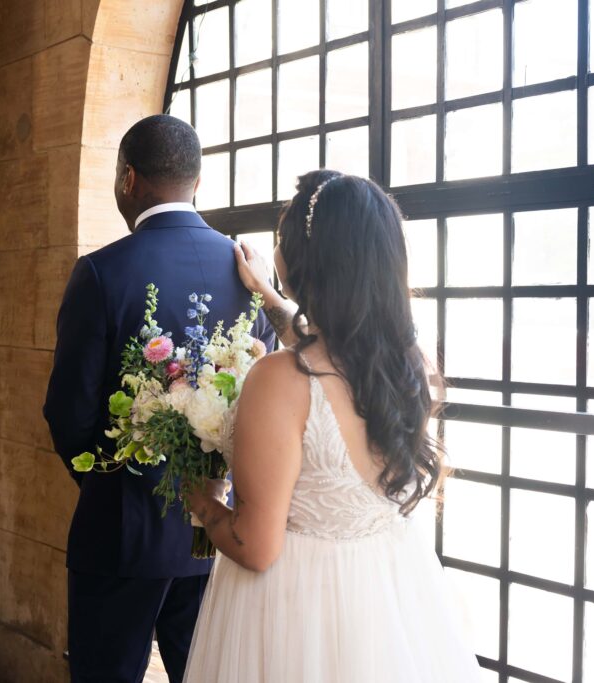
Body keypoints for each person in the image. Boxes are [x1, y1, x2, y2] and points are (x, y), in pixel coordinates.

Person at [182, 170, 485, 681]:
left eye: (281, 237)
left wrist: (201, 501)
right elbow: (335, 353)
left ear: (303, 260)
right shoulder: (411, 364)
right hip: (390, 605)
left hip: (292, 611)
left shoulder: (279, 380)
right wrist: (271, 300)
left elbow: (256, 549)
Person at [43, 115, 276, 683]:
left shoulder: (101, 273)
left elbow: (68, 413)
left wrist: (113, 481)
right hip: (222, 532)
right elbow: (264, 393)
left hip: (121, 531)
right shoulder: (249, 273)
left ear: (128, 179)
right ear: (197, 181)